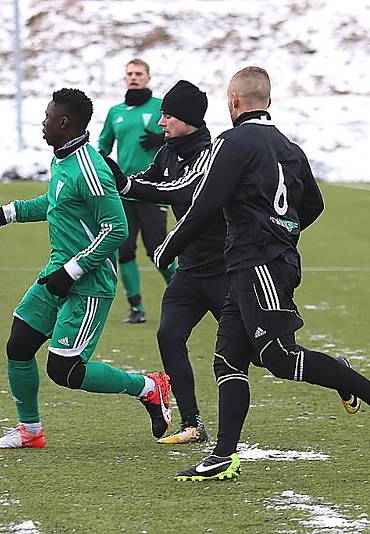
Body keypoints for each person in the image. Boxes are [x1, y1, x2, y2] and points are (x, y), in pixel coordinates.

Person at [150, 67, 370, 481]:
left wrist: (170, 246)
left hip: (260, 264)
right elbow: (314, 205)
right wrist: (285, 229)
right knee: (228, 359)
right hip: (251, 264)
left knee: (280, 359)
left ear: (234, 101)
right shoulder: (291, 148)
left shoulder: (230, 143)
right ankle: (222, 456)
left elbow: (207, 201)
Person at [0, 88, 172, 449]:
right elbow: (53, 203)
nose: (43, 124)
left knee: (65, 371)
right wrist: (3, 215)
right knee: (19, 345)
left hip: (89, 283)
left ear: (64, 123)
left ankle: (148, 387)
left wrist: (73, 271)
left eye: (47, 118)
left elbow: (116, 229)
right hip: (57, 273)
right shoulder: (63, 159)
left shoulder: (91, 169)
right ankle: (29, 432)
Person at [106, 80, 227, 444]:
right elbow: (147, 180)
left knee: (269, 355)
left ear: (188, 120)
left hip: (224, 270)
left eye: (168, 115)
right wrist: (114, 180)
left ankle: (348, 380)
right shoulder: (168, 151)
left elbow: (180, 191)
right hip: (190, 271)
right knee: (169, 336)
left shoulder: (209, 153)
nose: (161, 122)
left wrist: (126, 186)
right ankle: (192, 423)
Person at [98, 58, 177, 324]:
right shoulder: (115, 112)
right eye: (130, 73)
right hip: (123, 191)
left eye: (139, 73)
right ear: (125, 78)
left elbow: (182, 136)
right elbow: (104, 146)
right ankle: (136, 308)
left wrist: (162, 139)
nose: (134, 77)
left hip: (154, 189)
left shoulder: (161, 108)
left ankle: (182, 295)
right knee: (125, 248)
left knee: (157, 248)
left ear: (148, 77)